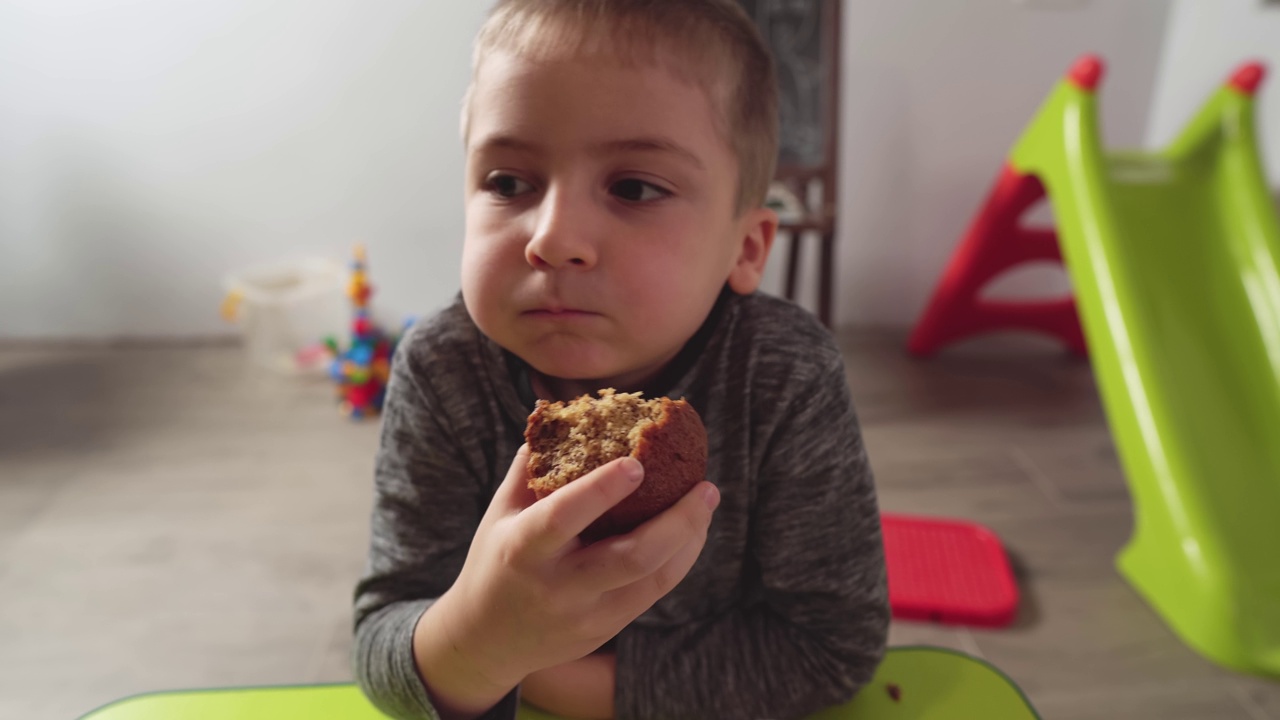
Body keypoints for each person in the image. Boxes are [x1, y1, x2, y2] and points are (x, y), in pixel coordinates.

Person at [352, 1, 888, 718]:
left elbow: (832, 647)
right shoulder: (444, 369)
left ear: (747, 247)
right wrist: (479, 643)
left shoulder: (784, 374)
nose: (554, 237)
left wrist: (527, 669)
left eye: (634, 188)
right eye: (509, 182)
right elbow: (383, 644)